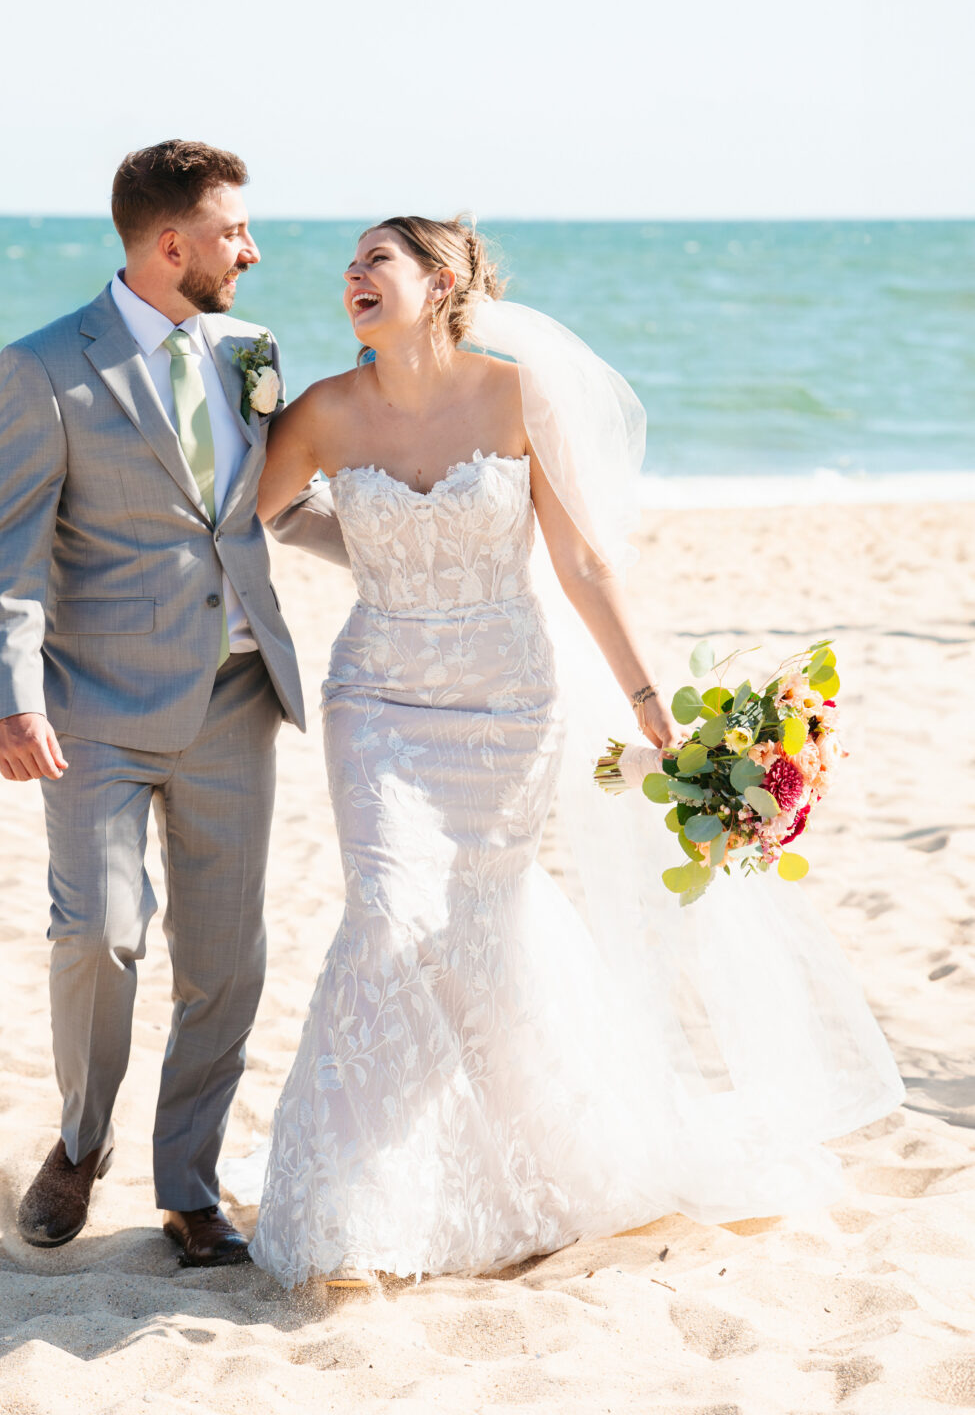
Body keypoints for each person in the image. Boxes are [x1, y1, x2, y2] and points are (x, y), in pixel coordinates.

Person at [246, 215, 904, 1289]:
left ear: (441, 278)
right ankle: (361, 1211)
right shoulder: (323, 411)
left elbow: (584, 558)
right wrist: (375, 549)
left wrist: (647, 695)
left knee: (486, 920)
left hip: (506, 699)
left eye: (378, 260)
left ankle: (529, 1159)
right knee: (387, 905)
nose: (353, 277)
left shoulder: (514, 395)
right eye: (349, 265)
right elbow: (262, 516)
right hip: (379, 695)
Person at [0, 139, 345, 1266]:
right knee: (98, 932)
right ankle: (82, 1142)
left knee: (227, 958)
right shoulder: (42, 369)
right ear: (170, 242)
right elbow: (4, 557)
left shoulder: (253, 351)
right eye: (236, 231)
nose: (254, 249)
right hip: (93, 707)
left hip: (239, 697)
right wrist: (9, 696)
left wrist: (411, 542)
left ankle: (188, 1185)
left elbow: (280, 503)